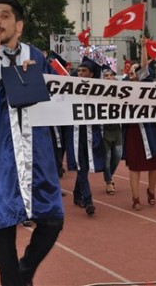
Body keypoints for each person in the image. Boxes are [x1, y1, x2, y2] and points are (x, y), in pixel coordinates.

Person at [0, 0, 64, 286]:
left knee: (53, 220)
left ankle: (24, 273)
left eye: (4, 15)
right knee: (4, 229)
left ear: (19, 25)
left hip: (36, 150)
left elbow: (55, 95)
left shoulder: (36, 55)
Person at [122, 38, 156, 210]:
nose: (135, 71)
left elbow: (145, 66)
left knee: (155, 164)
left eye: (137, 69)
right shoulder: (123, 86)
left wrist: (143, 47)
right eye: (132, 69)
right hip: (133, 129)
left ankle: (151, 190)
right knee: (135, 166)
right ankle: (135, 198)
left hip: (149, 128)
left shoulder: (146, 85)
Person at [65, 57, 105, 216]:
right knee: (81, 165)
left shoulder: (99, 89)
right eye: (79, 70)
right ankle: (88, 201)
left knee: (85, 166)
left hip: (91, 131)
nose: (80, 73)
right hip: (74, 132)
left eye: (84, 71)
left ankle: (76, 194)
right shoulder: (71, 87)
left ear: (92, 74)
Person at [101, 67, 122, 195]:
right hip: (104, 129)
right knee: (107, 157)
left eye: (110, 75)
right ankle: (109, 182)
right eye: (106, 76)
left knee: (118, 156)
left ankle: (109, 175)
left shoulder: (120, 91)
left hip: (117, 129)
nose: (108, 77)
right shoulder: (97, 92)